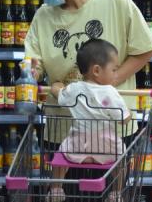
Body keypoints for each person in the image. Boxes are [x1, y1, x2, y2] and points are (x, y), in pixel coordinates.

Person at [24, 0, 152, 143]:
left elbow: (145, 49)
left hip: (113, 128)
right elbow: (34, 60)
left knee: (112, 175)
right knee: (65, 174)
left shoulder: (114, 1)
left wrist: (110, 81)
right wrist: (31, 71)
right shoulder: (44, 15)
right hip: (64, 130)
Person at [48, 39, 131, 201]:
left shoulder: (74, 88)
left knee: (60, 157)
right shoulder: (110, 92)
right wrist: (129, 116)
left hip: (77, 144)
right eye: (114, 70)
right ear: (97, 70)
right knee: (122, 160)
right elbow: (123, 119)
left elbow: (58, 94)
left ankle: (56, 190)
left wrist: (56, 85)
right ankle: (116, 193)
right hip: (106, 145)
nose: (116, 74)